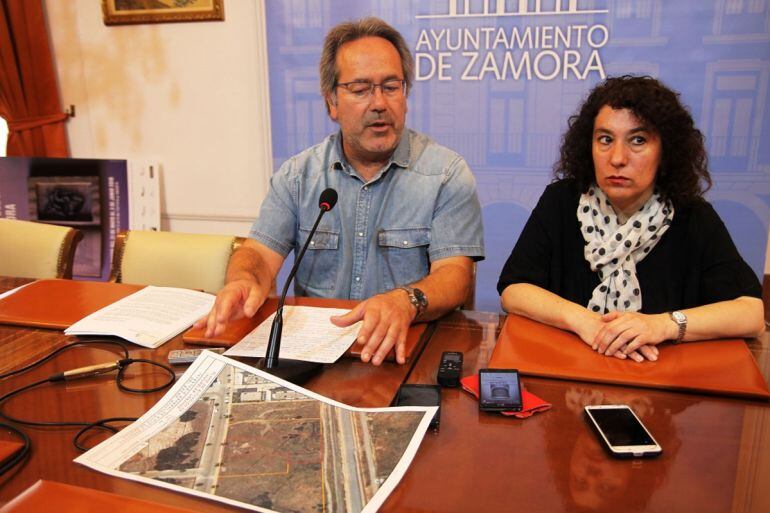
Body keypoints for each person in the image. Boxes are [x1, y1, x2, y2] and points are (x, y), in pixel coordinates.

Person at [198, 18, 484, 365]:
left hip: (404, 356)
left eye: (391, 86)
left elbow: (455, 275)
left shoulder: (445, 174)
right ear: (331, 102)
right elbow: (258, 253)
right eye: (361, 89)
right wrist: (243, 280)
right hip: (314, 356)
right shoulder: (299, 176)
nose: (379, 103)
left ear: (405, 95)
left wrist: (405, 300)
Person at [497, 75, 763, 362]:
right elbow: (514, 290)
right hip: (569, 369)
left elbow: (751, 313)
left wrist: (661, 325)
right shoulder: (561, 200)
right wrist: (585, 321)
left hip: (662, 383)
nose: (618, 157)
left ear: (666, 150)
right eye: (605, 139)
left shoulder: (692, 215)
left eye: (638, 140)